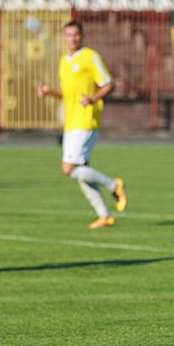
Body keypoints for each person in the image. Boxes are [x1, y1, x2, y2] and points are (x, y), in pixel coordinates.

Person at [39, 20, 127, 229]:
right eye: (68, 35)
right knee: (81, 170)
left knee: (69, 169)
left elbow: (109, 83)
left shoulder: (90, 57)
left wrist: (93, 98)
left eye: (76, 35)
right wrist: (49, 92)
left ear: (82, 36)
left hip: (86, 118)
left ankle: (114, 185)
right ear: (64, 37)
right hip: (71, 121)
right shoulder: (64, 61)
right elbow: (67, 94)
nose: (72, 39)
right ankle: (104, 215)